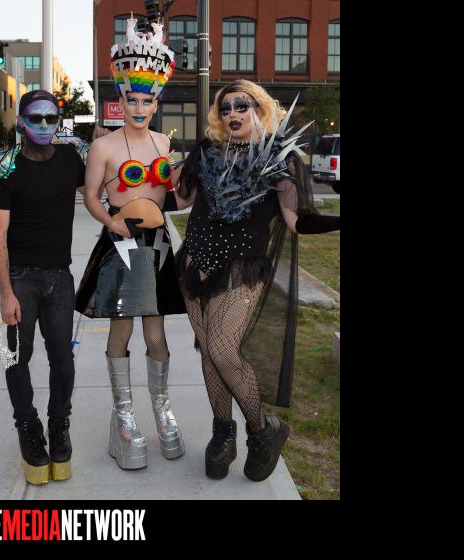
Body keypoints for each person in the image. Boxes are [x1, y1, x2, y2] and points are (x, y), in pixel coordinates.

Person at [173, 79, 340, 482]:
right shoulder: (207, 151)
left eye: (241, 105)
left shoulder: (280, 159)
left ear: (259, 109)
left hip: (241, 269)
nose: (232, 113)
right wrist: (132, 187)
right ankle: (222, 432)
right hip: (195, 263)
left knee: (223, 349)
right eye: (225, 107)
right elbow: (180, 200)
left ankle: (263, 431)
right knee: (209, 354)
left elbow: (297, 221)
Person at [75, 16, 186, 470]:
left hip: (156, 245)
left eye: (147, 100)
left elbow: (175, 197)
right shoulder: (103, 147)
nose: (139, 107)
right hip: (120, 244)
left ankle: (162, 409)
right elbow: (91, 196)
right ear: (120, 100)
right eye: (132, 99)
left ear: (156, 102)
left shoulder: (163, 143)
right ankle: (124, 418)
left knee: (156, 334)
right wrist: (111, 222)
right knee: (121, 330)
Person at [0, 90, 86, 485]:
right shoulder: (5, 170)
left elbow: (103, 187)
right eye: (35, 117)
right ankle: (28, 427)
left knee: (63, 360)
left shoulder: (71, 160)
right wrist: (5, 293)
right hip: (21, 278)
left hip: (60, 277)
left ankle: (59, 425)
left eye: (51, 118)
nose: (44, 125)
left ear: (58, 121)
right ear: (21, 121)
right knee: (15, 357)